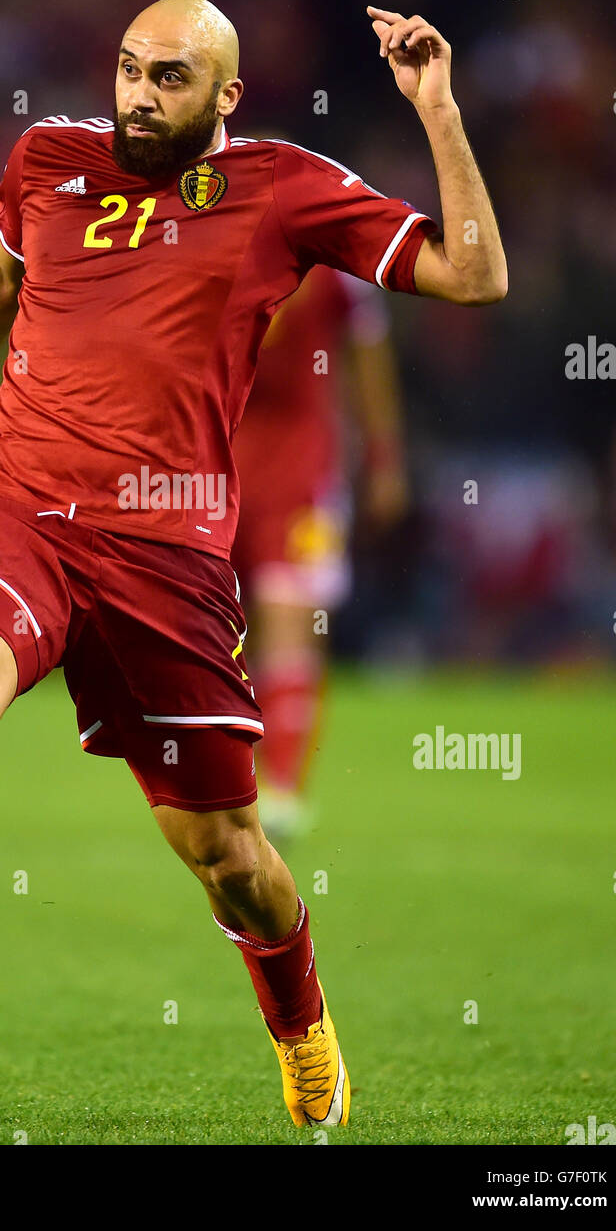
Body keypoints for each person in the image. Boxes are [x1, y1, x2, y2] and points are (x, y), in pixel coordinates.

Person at [0, 0, 507, 1131]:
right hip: (15, 509)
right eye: (129, 70)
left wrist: (439, 113)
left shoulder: (285, 186)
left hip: (167, 561)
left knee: (228, 855)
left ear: (226, 96)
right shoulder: (45, 159)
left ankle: (303, 1027)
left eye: (170, 80)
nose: (140, 97)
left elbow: (473, 275)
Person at [231, 263, 409, 839]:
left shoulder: (332, 249)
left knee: (289, 611)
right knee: (218, 625)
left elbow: (368, 345)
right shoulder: (202, 220)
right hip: (211, 460)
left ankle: (280, 788)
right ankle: (231, 781)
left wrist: (383, 454)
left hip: (304, 467)